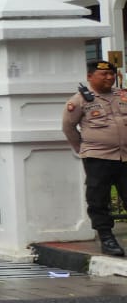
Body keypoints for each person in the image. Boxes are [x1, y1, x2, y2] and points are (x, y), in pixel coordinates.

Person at [61, 60, 127, 256]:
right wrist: (84, 149)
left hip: (125, 157)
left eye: (111, 74)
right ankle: (106, 238)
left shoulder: (123, 96)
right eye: (103, 74)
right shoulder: (79, 101)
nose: (109, 77)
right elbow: (68, 127)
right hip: (98, 158)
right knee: (98, 199)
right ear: (90, 77)